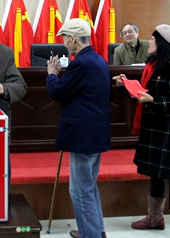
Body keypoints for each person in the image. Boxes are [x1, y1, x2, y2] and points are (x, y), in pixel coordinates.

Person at [113, 24, 170, 237]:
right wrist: (126, 87)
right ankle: (155, 217)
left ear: (164, 43)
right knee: (155, 173)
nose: (150, 43)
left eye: (154, 40)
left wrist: (154, 100)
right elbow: (145, 93)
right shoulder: (155, 63)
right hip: (155, 126)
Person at [46, 18, 110, 238]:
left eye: (65, 39)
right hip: (95, 132)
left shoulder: (81, 63)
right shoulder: (98, 59)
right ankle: (96, 231)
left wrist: (52, 75)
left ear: (73, 38)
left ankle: (90, 235)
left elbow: (58, 92)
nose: (64, 44)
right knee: (89, 186)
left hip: (83, 135)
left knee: (80, 189)